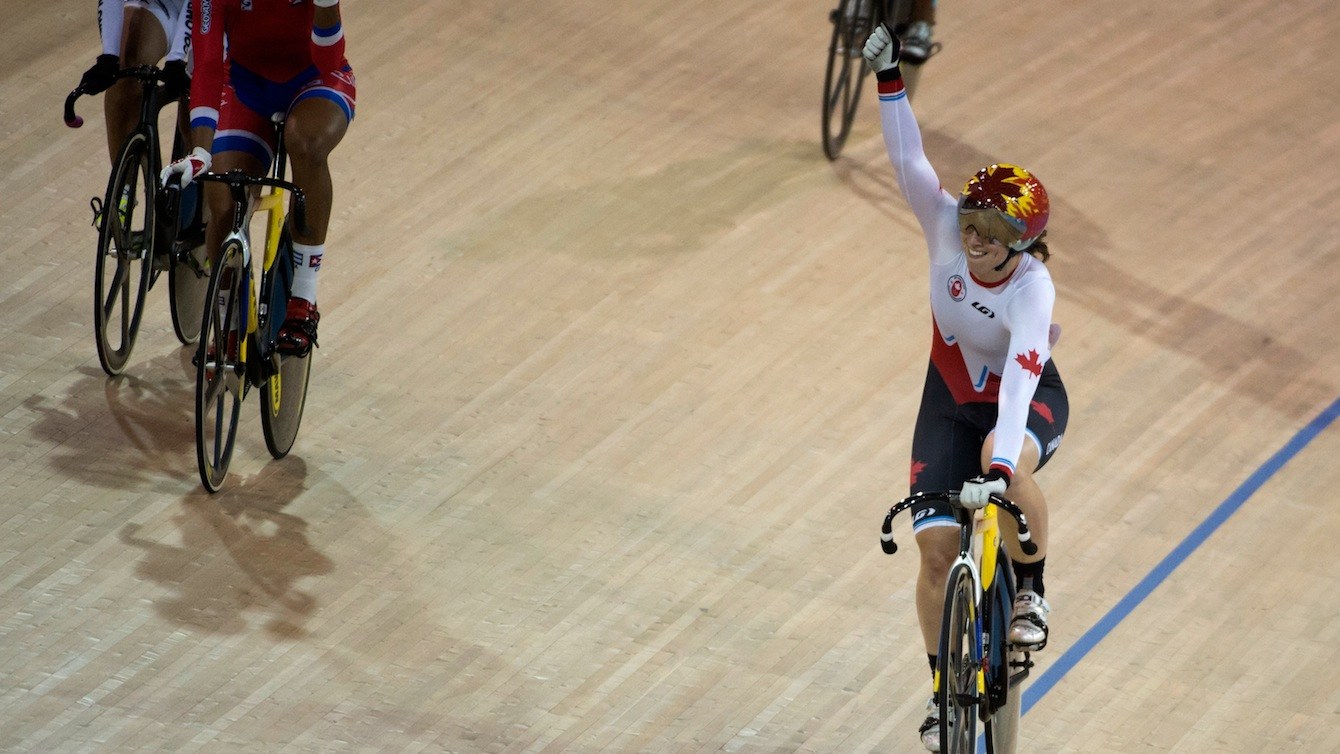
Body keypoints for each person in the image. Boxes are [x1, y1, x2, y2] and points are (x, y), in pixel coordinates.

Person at [862, 25, 1068, 752]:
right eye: (971, 225)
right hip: (947, 400)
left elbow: (1018, 387)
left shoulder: (1032, 291)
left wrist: (1004, 468)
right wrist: (890, 78)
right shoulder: (945, 230)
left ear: (1023, 245)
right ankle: (940, 691)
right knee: (934, 552)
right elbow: (908, 160)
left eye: (991, 234)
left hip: (1025, 398)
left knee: (996, 461)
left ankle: (1032, 589)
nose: (974, 241)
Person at [161, 0, 355, 357]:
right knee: (224, 198)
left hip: (316, 78)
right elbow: (207, 65)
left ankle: (303, 297)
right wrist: (200, 152)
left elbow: (328, 60)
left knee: (306, 143)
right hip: (246, 86)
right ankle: (229, 323)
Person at [78, 0, 192, 165]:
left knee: (200, 95)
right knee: (124, 72)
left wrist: (177, 58)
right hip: (160, 5)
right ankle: (122, 176)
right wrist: (109, 57)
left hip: (210, 11)